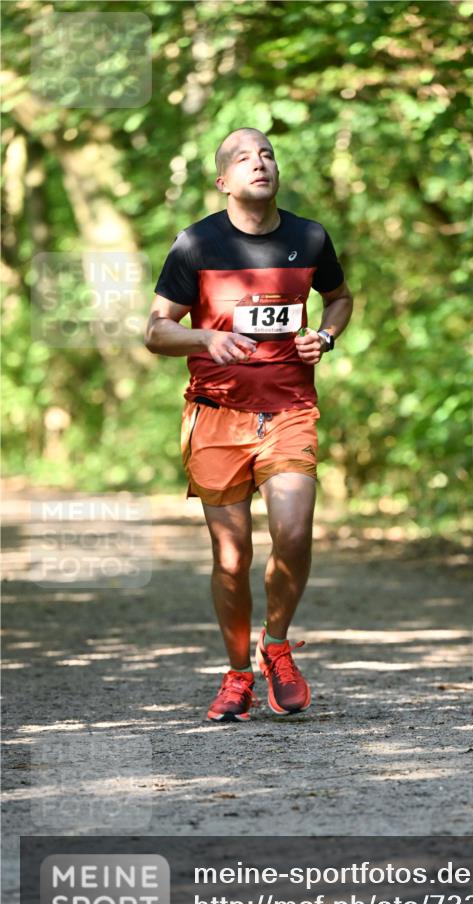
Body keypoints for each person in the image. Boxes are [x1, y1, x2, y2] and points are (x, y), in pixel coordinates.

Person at [145, 127, 353, 723]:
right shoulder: (196, 244)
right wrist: (205, 338)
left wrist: (325, 336)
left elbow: (340, 298)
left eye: (266, 153)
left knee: (294, 532)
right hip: (216, 417)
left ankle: (276, 645)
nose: (258, 162)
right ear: (223, 180)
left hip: (289, 410)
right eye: (243, 157)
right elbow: (155, 330)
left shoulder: (309, 238)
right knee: (232, 559)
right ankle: (238, 673)